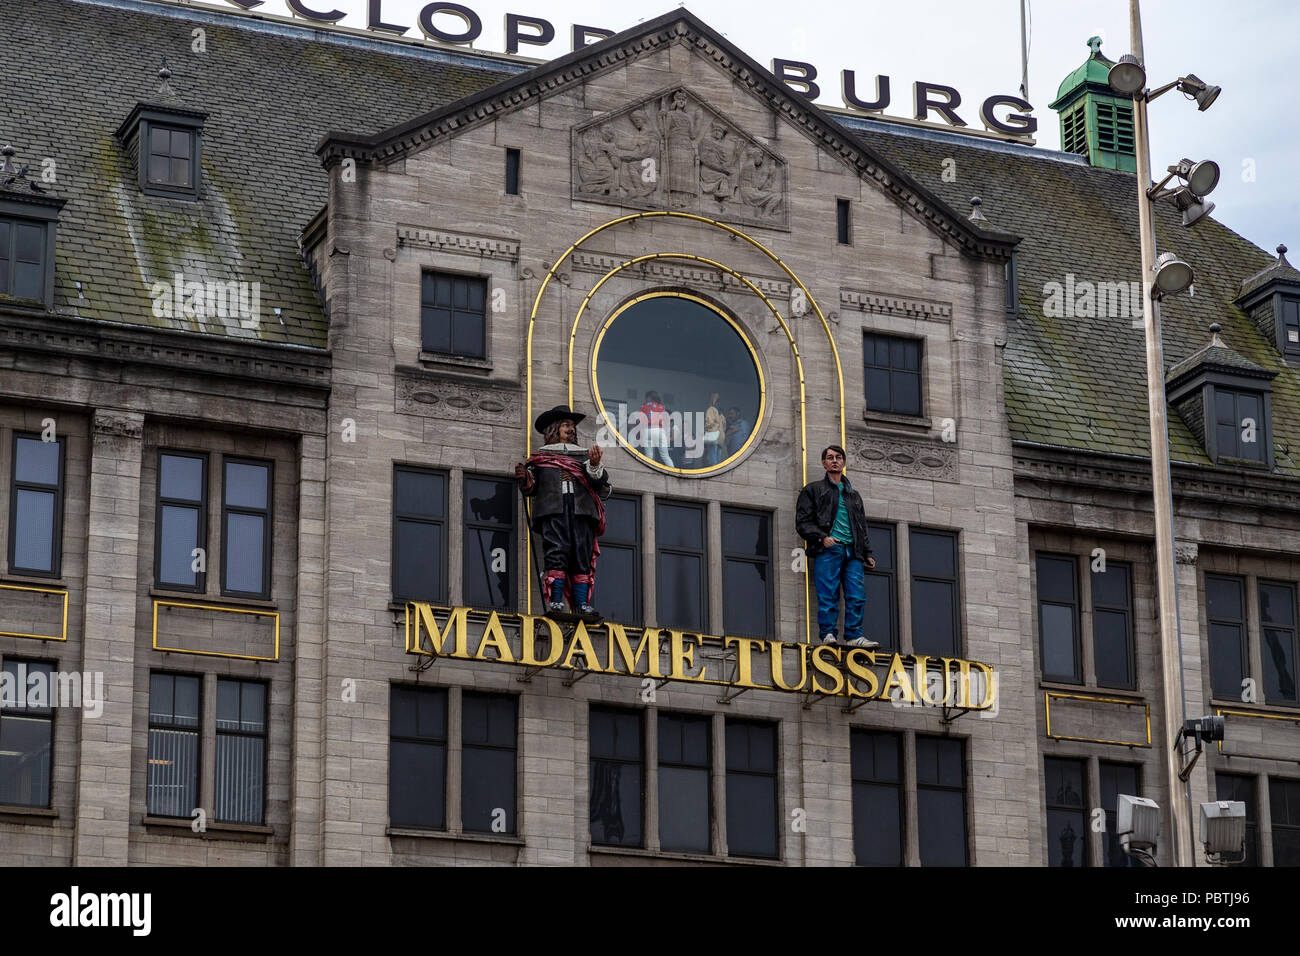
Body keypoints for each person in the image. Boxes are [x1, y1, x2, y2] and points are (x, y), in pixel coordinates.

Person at [515, 404, 611, 622]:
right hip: (553, 510)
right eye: (566, 425)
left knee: (581, 555)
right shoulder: (541, 458)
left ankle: (581, 603)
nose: (571, 429)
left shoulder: (584, 457)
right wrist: (525, 477)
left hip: (581, 512)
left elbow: (601, 485)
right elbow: (531, 488)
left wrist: (595, 466)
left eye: (572, 426)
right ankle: (556, 600)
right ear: (554, 428)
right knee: (556, 552)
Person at [795, 445, 878, 647]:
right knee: (828, 593)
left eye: (838, 457)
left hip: (853, 551)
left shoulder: (853, 495)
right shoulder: (813, 490)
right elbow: (803, 522)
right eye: (830, 457)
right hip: (830, 548)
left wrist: (866, 552)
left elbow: (861, 525)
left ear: (843, 462)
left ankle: (853, 636)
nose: (834, 460)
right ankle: (828, 634)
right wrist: (823, 537)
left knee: (856, 596)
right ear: (823, 463)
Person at [639, 390, 675, 467]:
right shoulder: (662, 407)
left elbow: (641, 420)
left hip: (648, 430)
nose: (646, 399)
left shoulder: (644, 406)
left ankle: (649, 473)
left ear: (649, 397)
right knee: (665, 456)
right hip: (659, 430)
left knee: (649, 455)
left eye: (646, 398)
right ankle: (674, 471)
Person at [703, 392, 726, 465]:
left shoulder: (711, 409)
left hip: (713, 436)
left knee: (713, 459)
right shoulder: (721, 413)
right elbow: (724, 426)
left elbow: (709, 423)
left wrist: (705, 428)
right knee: (718, 460)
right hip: (720, 438)